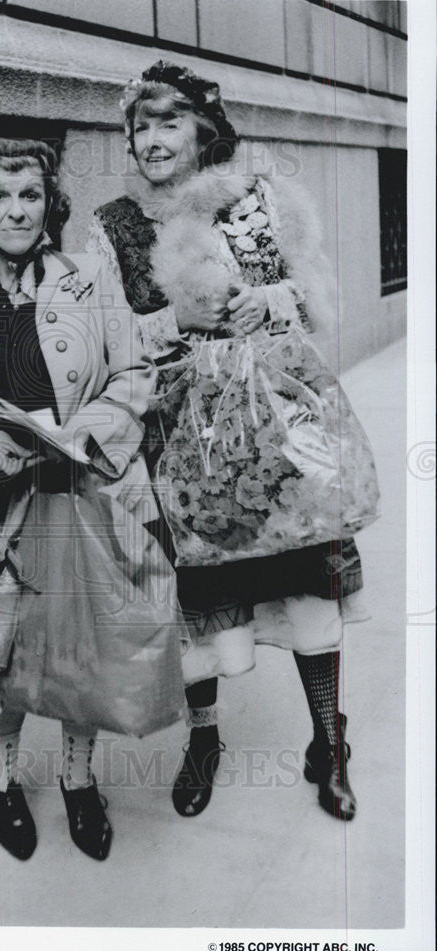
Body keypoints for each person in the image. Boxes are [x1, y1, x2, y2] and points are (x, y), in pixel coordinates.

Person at [88, 60, 378, 822]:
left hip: (280, 430)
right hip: (182, 435)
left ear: (204, 131)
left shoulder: (257, 201)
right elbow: (101, 336)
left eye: (169, 123)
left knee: (308, 575)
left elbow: (318, 294)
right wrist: (175, 324)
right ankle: (205, 740)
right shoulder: (112, 224)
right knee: (197, 592)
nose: (151, 140)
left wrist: (269, 300)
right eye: (140, 126)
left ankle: (327, 740)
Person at [0, 136, 185, 861]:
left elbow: (134, 375)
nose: (15, 211)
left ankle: (78, 779)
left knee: (74, 645)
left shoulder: (90, 278)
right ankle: (2, 780)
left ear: (49, 203)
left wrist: (77, 433)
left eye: (29, 195)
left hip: (77, 491)